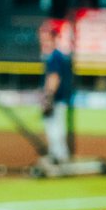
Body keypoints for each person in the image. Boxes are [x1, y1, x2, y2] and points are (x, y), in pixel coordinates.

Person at [39, 23, 74, 164]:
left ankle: (58, 155)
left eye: (45, 38)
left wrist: (48, 97)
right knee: (57, 126)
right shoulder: (57, 55)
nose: (42, 41)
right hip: (60, 98)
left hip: (56, 98)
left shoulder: (54, 56)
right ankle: (60, 155)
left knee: (54, 127)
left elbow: (54, 77)